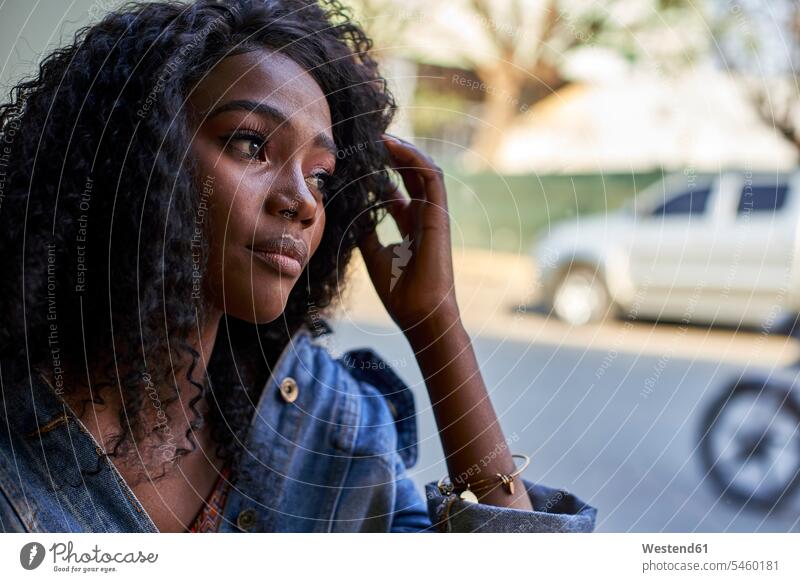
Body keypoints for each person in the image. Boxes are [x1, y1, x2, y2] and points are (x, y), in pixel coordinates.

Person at [0, 0, 596, 533]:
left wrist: (438, 330)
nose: (305, 201)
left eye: (320, 175)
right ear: (134, 152)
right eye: (251, 144)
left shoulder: (330, 424)